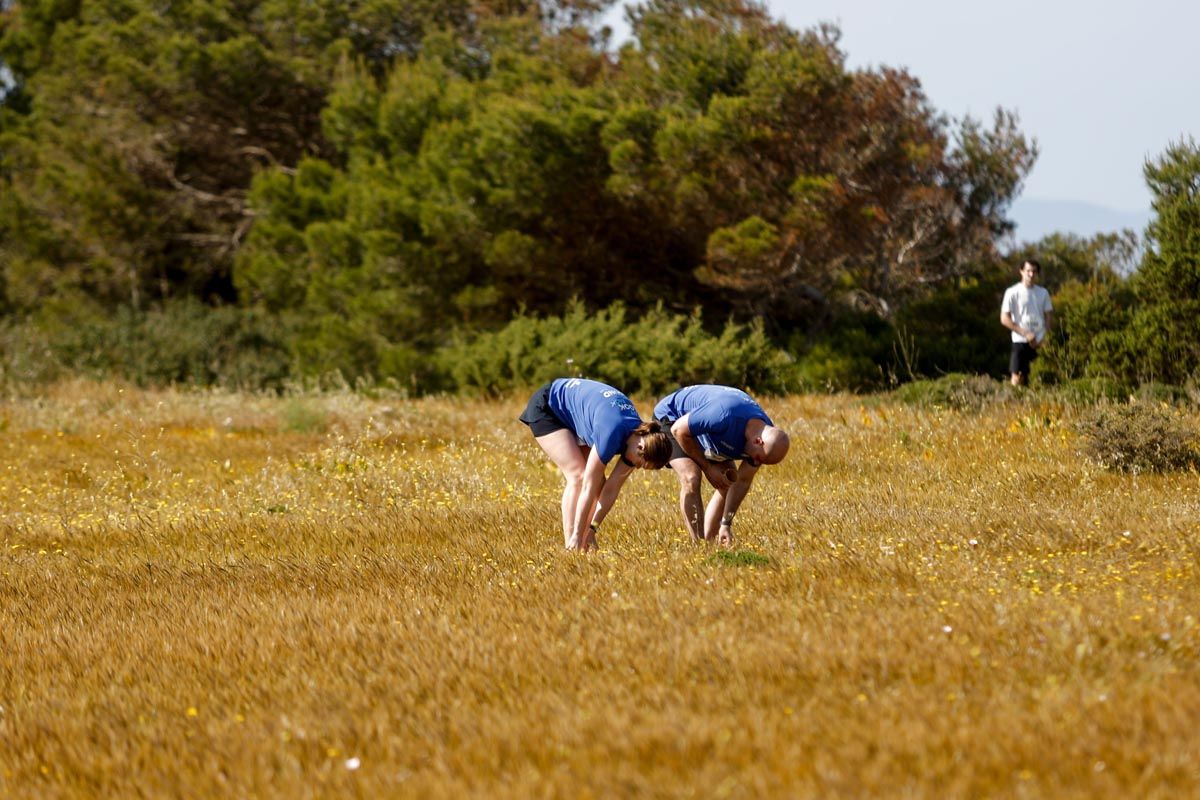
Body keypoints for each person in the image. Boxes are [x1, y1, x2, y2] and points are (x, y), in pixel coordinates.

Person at [520, 378, 671, 551]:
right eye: (639, 464)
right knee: (579, 476)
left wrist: (592, 530)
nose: (635, 467)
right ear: (640, 447)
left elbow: (611, 489)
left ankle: (583, 542)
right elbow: (587, 487)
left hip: (580, 413)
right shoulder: (612, 434)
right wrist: (577, 534)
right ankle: (572, 546)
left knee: (598, 481)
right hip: (549, 406)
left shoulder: (639, 439)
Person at [653, 385, 790, 547]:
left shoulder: (765, 439)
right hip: (673, 418)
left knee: (728, 481)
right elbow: (679, 430)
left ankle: (711, 544)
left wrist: (726, 524)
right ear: (758, 441)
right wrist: (708, 468)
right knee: (691, 477)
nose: (756, 462)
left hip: (704, 429)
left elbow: (742, 482)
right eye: (758, 458)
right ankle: (699, 547)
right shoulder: (725, 414)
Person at [1000, 259, 1054, 386]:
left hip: (1040, 342)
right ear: (1021, 271)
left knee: (1040, 378)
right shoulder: (1012, 292)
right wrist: (1025, 333)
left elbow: (1049, 317)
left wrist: (1045, 337)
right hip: (1020, 341)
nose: (1031, 274)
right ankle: (1015, 403)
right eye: (1028, 271)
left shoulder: (1043, 293)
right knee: (1018, 378)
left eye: (1034, 271)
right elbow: (1004, 318)